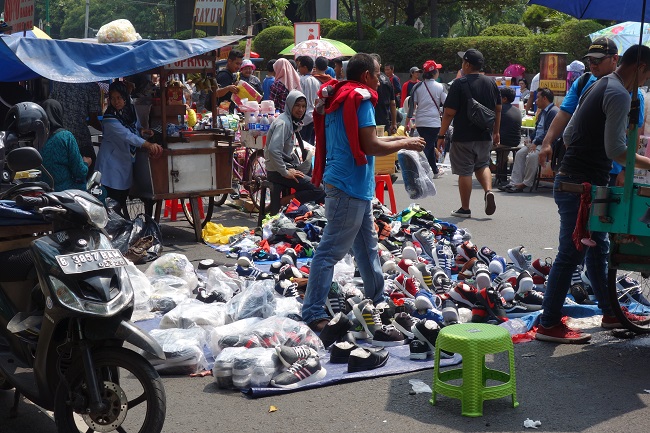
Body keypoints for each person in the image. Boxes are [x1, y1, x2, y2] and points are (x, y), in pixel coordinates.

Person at [535, 45, 650, 344]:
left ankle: (611, 312)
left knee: (599, 248)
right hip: (580, 187)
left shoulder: (600, 84)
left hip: (580, 180)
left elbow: (570, 135)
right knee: (571, 254)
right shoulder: (618, 93)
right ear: (640, 67)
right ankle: (548, 323)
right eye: (648, 74)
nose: (646, 81)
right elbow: (616, 151)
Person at [304, 53, 425, 331]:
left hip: (349, 184)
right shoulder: (362, 99)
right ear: (366, 76)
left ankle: (377, 299)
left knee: (367, 247)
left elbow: (367, 139)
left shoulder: (339, 96)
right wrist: (404, 143)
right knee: (330, 252)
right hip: (348, 186)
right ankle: (312, 312)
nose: (381, 79)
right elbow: (370, 145)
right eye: (378, 73)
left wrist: (401, 139)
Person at [540, 37, 621, 176]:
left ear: (614, 59)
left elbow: (634, 131)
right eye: (590, 60)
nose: (593, 65)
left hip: (612, 169)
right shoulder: (583, 81)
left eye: (598, 60)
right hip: (578, 164)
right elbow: (564, 113)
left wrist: (625, 170)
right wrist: (547, 142)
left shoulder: (627, 90)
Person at [436, 49, 501, 218]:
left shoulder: (459, 83)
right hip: (485, 134)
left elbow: (449, 113)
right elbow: (498, 109)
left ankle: (465, 209)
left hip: (463, 135)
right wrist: (496, 131)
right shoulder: (491, 83)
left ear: (466, 64)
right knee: (483, 165)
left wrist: (441, 135)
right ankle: (488, 191)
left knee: (465, 171)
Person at [96, 81, 163, 219]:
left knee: (120, 199)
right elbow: (127, 135)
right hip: (111, 165)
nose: (116, 102)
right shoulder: (109, 118)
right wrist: (148, 145)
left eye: (119, 98)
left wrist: (142, 130)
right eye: (113, 98)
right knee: (112, 203)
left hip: (124, 161)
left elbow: (135, 127)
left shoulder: (131, 110)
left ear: (125, 97)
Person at [264, 90, 325, 215]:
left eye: (303, 106)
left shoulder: (290, 121)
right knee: (319, 189)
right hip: (277, 171)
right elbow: (273, 150)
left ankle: (296, 211)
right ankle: (282, 202)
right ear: (290, 105)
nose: (300, 110)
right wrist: (285, 172)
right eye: (297, 105)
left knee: (319, 180)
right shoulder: (283, 123)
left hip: (284, 167)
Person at [502, 88, 558, 193]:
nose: (535, 101)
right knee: (520, 153)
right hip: (536, 142)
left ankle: (526, 183)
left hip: (546, 144)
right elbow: (537, 130)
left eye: (538, 98)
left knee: (532, 156)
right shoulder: (542, 112)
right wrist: (530, 139)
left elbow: (549, 132)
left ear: (544, 98)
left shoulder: (553, 112)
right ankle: (514, 183)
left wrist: (536, 142)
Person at [50, 81, 102, 178]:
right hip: (81, 141)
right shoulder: (92, 86)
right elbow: (93, 120)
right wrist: (107, 130)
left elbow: (52, 105)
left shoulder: (58, 82)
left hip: (60, 140)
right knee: (89, 174)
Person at [406, 60, 446, 178]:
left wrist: (407, 123)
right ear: (434, 73)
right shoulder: (440, 87)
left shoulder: (417, 87)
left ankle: (434, 171)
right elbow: (446, 103)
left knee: (428, 145)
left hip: (420, 122)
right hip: (434, 122)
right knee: (428, 146)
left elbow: (412, 107)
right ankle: (421, 171)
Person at [39, 99, 91, 191]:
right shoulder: (66, 136)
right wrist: (86, 163)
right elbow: (80, 172)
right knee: (102, 192)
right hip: (66, 190)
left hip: (42, 189)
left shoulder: (37, 138)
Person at [494, 86, 523, 187]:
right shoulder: (517, 110)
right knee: (502, 152)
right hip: (515, 141)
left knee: (480, 147)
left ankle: (493, 168)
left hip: (503, 142)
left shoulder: (499, 110)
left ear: (504, 99)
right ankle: (501, 174)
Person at [370, 53, 398, 136]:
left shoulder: (368, 79)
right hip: (385, 120)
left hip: (371, 120)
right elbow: (393, 103)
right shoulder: (387, 80)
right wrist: (394, 123)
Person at [296, 56, 321, 144]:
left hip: (302, 116)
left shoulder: (301, 80)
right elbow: (317, 100)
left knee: (300, 142)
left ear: (305, 68)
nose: (298, 69)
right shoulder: (316, 81)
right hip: (312, 115)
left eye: (299, 67)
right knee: (309, 142)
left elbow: (298, 98)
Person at [210, 49, 243, 113]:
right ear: (229, 61)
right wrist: (228, 88)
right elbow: (215, 93)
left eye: (240, 64)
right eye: (237, 63)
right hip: (221, 113)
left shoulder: (231, 74)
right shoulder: (224, 75)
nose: (239, 67)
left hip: (227, 112)